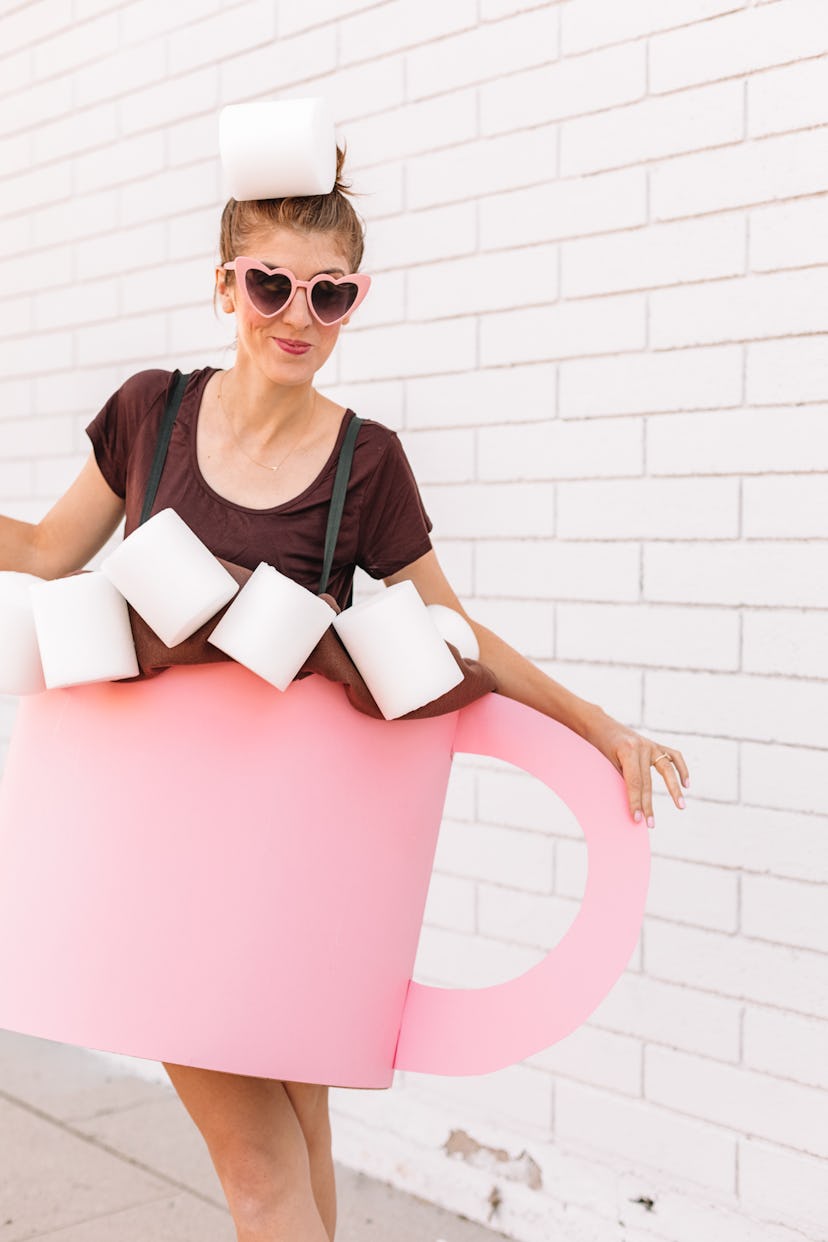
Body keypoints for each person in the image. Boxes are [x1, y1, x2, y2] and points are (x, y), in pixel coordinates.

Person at [0, 143, 689, 1242]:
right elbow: (43, 553)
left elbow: (451, 634)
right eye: (272, 283)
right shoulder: (151, 416)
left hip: (284, 867)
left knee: (297, 1153)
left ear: (354, 301)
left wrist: (597, 728)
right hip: (155, 861)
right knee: (266, 1166)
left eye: (331, 294)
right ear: (224, 283)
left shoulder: (366, 465)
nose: (298, 316)